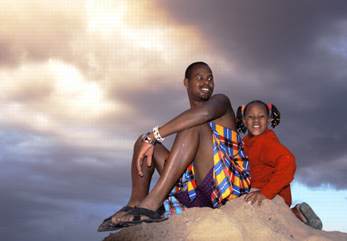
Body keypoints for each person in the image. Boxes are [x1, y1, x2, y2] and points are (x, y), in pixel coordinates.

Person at [97, 62, 250, 232]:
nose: (206, 83)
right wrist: (149, 140)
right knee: (144, 141)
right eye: (199, 78)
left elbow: (204, 114)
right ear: (186, 82)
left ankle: (151, 204)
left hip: (227, 186)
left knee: (191, 125)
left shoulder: (221, 102)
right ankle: (136, 203)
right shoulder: (188, 124)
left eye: (210, 78)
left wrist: (154, 135)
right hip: (193, 190)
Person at [236, 100, 323, 230]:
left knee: (255, 215)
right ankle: (296, 213)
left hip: (273, 194)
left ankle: (295, 217)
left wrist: (266, 192)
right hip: (258, 189)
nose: (256, 121)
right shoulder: (245, 142)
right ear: (243, 120)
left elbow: (288, 162)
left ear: (269, 119)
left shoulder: (266, 142)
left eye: (261, 116)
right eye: (251, 117)